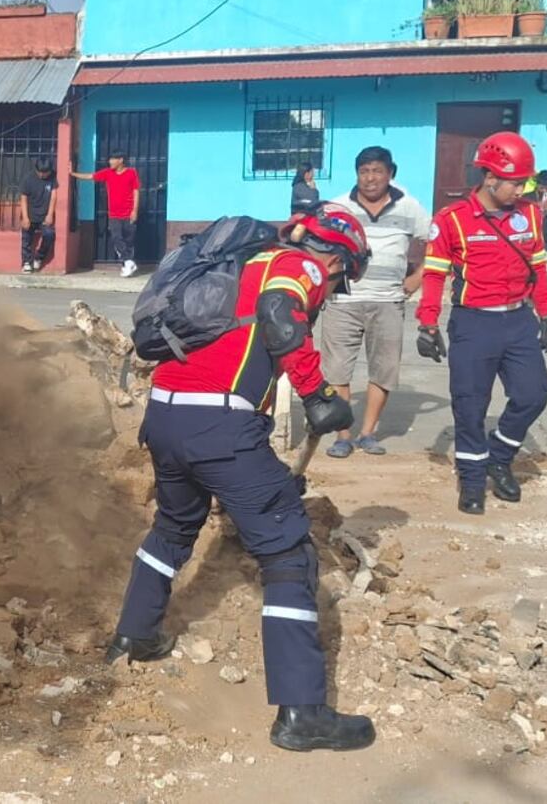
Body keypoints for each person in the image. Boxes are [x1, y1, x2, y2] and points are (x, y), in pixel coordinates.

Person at [107, 210, 376, 753]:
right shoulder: (299, 264)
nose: (334, 287)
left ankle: (134, 635)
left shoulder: (246, 262)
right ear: (338, 258)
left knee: (174, 528)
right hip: (220, 424)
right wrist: (318, 394)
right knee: (288, 554)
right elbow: (280, 312)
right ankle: (302, 713)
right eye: (343, 275)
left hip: (164, 413)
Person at [416, 132, 547, 515]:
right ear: (490, 178)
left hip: (518, 321)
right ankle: (473, 480)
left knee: (533, 395)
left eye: (524, 183)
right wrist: (426, 324)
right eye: (516, 182)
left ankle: (499, 455)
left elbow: (539, 269)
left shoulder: (529, 214)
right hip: (473, 325)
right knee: (470, 406)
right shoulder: (451, 221)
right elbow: (433, 275)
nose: (521, 190)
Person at [320, 146, 427, 458]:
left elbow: (435, 243)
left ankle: (368, 433)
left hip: (389, 301)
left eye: (377, 171)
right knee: (337, 371)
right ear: (357, 174)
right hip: (343, 301)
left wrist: (417, 278)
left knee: (383, 369)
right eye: (364, 171)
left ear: (390, 173)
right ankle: (343, 435)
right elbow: (318, 245)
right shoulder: (337, 207)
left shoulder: (409, 207)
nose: (370, 178)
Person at [72, 152, 141, 277]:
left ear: (120, 160)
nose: (110, 162)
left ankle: (127, 265)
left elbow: (136, 191)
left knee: (129, 240)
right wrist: (73, 174)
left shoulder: (131, 173)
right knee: (116, 237)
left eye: (112, 159)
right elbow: (90, 177)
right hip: (114, 214)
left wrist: (135, 210)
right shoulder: (108, 173)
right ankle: (129, 261)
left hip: (128, 213)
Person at [18, 159, 57, 273]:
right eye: (40, 172)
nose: (43, 174)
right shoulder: (28, 179)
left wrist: (50, 214)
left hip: (44, 217)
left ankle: (39, 257)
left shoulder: (52, 178)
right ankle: (26, 262)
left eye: (45, 172)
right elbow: (23, 199)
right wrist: (25, 217)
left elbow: (54, 196)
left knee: (49, 235)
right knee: (26, 237)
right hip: (30, 215)